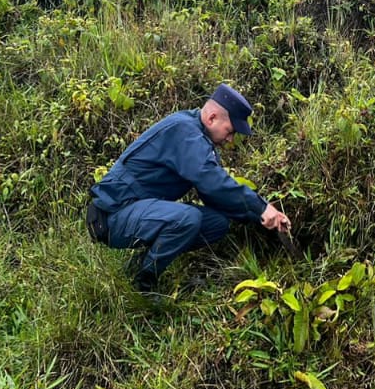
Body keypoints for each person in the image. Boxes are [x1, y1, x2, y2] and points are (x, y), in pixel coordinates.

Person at [85, 84, 292, 296]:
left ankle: (139, 265)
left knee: (216, 224)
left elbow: (214, 195)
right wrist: (260, 207)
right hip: (110, 216)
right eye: (230, 131)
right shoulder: (184, 131)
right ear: (212, 118)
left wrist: (259, 216)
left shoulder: (198, 140)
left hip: (135, 211)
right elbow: (213, 182)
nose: (230, 139)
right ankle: (142, 286)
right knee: (188, 218)